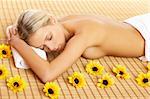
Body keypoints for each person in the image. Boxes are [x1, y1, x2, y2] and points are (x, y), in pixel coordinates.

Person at [6, 9, 148, 83]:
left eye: (49, 38)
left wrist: (17, 42)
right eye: (43, 48)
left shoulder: (83, 35)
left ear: (52, 19)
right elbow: (32, 27)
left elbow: (48, 74)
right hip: (137, 24)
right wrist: (18, 30)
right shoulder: (64, 22)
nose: (51, 47)